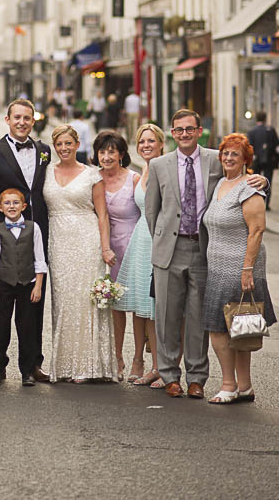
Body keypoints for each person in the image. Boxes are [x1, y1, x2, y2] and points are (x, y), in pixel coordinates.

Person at [145, 108, 268, 399]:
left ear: (200, 131)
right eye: (178, 130)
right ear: (172, 133)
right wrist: (163, 239)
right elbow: (152, 210)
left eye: (189, 129)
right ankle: (169, 375)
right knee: (167, 315)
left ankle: (197, 376)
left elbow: (242, 178)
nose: (184, 134)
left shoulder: (216, 157)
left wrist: (264, 180)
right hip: (169, 250)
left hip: (203, 249)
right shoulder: (159, 164)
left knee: (200, 317)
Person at [0, 98, 51, 384]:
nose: (22, 122)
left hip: (37, 235)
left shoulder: (44, 151)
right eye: (17, 117)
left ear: (33, 121)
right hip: (4, 239)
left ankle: (32, 365)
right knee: (1, 308)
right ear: (7, 120)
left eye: (27, 118)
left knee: (34, 307)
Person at [202, 134, 276, 404]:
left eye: (235, 154)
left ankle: (228, 384)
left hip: (239, 267)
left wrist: (247, 268)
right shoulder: (222, 182)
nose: (229, 158)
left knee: (222, 328)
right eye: (226, 153)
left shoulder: (250, 187)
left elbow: (256, 230)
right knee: (238, 326)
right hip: (218, 265)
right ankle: (244, 386)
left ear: (246, 160)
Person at [43, 125, 117, 382]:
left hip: (87, 241)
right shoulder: (46, 173)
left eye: (68, 143)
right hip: (59, 242)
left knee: (87, 301)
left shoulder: (91, 174)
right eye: (59, 144)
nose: (64, 148)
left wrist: (106, 248)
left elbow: (103, 214)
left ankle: (91, 366)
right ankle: (65, 366)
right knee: (63, 301)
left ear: (76, 144)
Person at [114, 123, 165, 387]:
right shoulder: (142, 170)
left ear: (161, 143)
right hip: (140, 239)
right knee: (138, 307)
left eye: (151, 141)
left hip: (158, 240)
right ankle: (137, 361)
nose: (146, 145)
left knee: (154, 307)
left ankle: (159, 366)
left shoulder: (166, 168)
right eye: (142, 141)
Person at [0, 188, 47, 386]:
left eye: (15, 203)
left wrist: (38, 286)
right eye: (7, 203)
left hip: (27, 283)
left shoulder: (33, 228)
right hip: (4, 283)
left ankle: (27, 371)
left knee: (27, 327)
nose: (11, 206)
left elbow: (39, 258)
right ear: (0, 207)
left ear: (24, 206)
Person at [93, 130, 140, 380]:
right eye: (102, 151)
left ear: (121, 154)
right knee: (114, 307)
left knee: (139, 307)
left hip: (132, 246)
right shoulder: (92, 178)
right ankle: (117, 358)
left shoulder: (134, 179)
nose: (107, 156)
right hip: (104, 249)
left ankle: (138, 360)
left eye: (112, 151)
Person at [247, 111, 279, 210]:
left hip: (256, 160)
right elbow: (277, 143)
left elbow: (249, 146)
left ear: (256, 119)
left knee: (255, 182)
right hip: (269, 160)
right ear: (265, 118)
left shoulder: (252, 131)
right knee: (268, 181)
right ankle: (266, 204)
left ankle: (257, 202)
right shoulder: (271, 130)